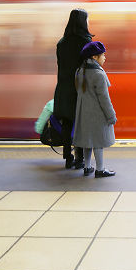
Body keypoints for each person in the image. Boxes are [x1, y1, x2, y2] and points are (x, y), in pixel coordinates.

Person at [54, 9, 93, 169]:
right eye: (87, 20)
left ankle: (67, 157)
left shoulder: (61, 43)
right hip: (79, 88)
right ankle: (80, 158)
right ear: (82, 22)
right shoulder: (85, 42)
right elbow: (89, 66)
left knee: (67, 122)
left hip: (63, 87)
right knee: (81, 123)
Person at [72, 41, 116, 178]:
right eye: (102, 55)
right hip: (97, 114)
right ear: (94, 57)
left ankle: (87, 167)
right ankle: (100, 169)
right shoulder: (99, 74)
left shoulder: (80, 71)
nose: (104, 58)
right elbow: (104, 99)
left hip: (83, 113)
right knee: (98, 142)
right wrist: (111, 115)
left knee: (88, 140)